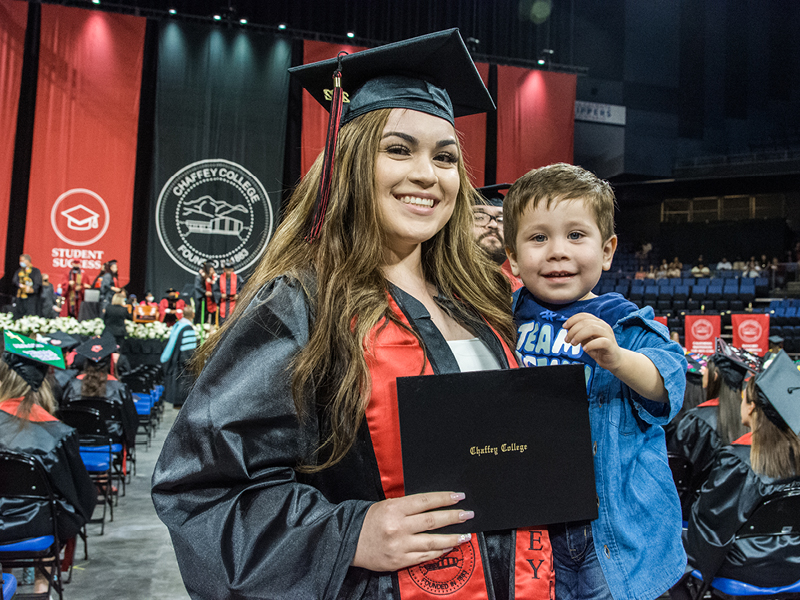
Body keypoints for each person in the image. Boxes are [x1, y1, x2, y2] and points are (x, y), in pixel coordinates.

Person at [152, 30, 553, 600]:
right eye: (399, 149)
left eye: (444, 157)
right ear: (349, 161)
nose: (427, 174)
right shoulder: (300, 304)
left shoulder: (480, 300)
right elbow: (205, 489)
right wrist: (347, 533)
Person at [504, 162, 687, 600]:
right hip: (534, 526)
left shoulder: (625, 324)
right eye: (538, 237)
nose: (557, 251)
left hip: (615, 530)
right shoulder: (498, 323)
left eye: (576, 235)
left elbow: (668, 384)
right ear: (512, 256)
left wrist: (619, 359)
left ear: (607, 251)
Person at [681, 351, 800, 588]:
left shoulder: (738, 460)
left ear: (753, 407)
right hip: (795, 562)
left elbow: (710, 530)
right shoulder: (794, 455)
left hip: (746, 566)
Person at [0, 332, 96, 596]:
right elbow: (80, 498)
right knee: (54, 508)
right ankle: (42, 591)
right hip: (36, 527)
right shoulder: (56, 433)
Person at [667, 348, 749, 518]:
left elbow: (678, 471)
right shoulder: (747, 418)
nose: (703, 373)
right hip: (738, 510)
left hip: (697, 511)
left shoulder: (699, 420)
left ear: (715, 376)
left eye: (707, 370)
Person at [62, 335, 139, 459]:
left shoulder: (73, 385)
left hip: (77, 438)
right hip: (109, 439)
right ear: (109, 362)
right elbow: (130, 421)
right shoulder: (118, 387)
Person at [473, 183, 523, 291]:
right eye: (479, 217)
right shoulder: (438, 285)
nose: (494, 225)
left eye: (501, 220)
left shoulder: (518, 292)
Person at [159, 305, 197, 408]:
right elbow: (188, 350)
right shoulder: (188, 328)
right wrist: (190, 362)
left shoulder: (178, 325)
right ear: (193, 315)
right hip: (181, 364)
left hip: (173, 360)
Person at [12, 254, 42, 319]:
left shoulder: (35, 271)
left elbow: (38, 283)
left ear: (28, 261)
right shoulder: (19, 271)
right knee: (19, 315)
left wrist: (31, 289)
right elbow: (14, 280)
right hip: (20, 297)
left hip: (31, 298)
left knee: (30, 315)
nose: (20, 262)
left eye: (22, 260)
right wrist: (20, 285)